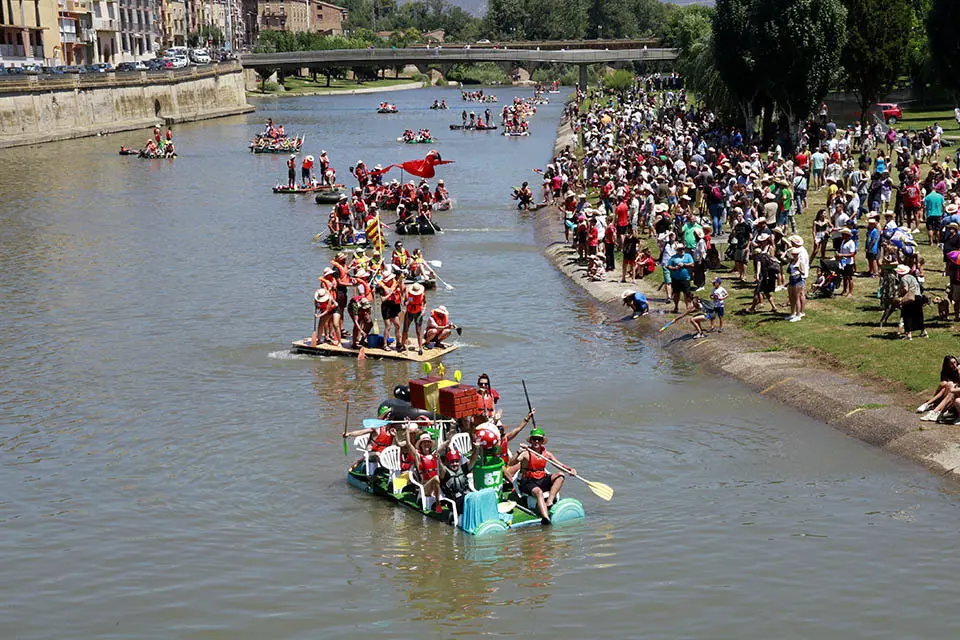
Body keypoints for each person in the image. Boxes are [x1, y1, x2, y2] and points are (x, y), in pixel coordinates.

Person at [508, 428, 574, 524]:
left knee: (560, 475)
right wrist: (519, 451)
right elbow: (511, 463)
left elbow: (559, 465)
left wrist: (570, 470)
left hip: (542, 479)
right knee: (538, 492)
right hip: (528, 481)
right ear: (530, 440)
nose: (536, 441)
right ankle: (546, 518)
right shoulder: (525, 453)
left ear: (543, 441)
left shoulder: (546, 454)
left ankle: (549, 501)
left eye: (539, 439)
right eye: (534, 439)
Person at [404, 432, 444, 513]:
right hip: (425, 487)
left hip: (438, 484)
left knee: (441, 477)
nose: (426, 444)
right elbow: (408, 444)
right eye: (424, 442)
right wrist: (407, 430)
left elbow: (445, 444)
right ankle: (437, 504)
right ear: (421, 445)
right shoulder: (418, 456)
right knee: (436, 478)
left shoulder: (435, 455)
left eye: (428, 442)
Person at [916, 355, 960, 422]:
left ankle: (935, 410)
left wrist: (954, 389)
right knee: (948, 388)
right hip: (951, 393)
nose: (954, 365)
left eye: (955, 362)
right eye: (951, 364)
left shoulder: (958, 369)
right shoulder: (949, 371)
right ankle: (935, 411)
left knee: (951, 392)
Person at [896, 263, 927, 340]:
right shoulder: (913, 277)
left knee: (907, 315)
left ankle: (908, 334)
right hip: (918, 297)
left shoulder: (904, 278)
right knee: (919, 315)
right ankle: (924, 332)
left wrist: (900, 294)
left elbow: (906, 289)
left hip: (910, 298)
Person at [377, 271, 403, 351]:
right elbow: (383, 299)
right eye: (390, 279)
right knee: (388, 326)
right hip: (386, 307)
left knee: (397, 325)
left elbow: (401, 290)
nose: (392, 280)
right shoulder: (381, 287)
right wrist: (390, 294)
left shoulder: (395, 283)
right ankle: (385, 344)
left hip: (394, 305)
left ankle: (399, 343)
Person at [399, 282, 425, 355]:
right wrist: (406, 302)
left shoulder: (422, 294)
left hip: (418, 313)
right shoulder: (408, 294)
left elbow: (425, 303)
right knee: (405, 329)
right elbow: (404, 303)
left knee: (418, 331)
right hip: (409, 313)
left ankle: (420, 348)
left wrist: (424, 310)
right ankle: (402, 345)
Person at [667, 243, 694, 313]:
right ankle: (676, 307)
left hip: (685, 278)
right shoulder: (673, 257)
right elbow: (669, 266)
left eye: (682, 249)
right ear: (677, 250)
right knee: (676, 293)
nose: (682, 250)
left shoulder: (688, 256)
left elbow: (692, 264)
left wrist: (685, 264)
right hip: (675, 278)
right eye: (680, 249)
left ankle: (687, 308)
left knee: (687, 293)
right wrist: (674, 268)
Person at [837, 227, 857, 297]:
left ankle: (850, 292)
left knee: (849, 278)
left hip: (849, 263)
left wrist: (842, 255)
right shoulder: (843, 241)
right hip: (843, 262)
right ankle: (844, 290)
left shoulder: (851, 243)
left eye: (843, 234)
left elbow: (852, 254)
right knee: (844, 277)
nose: (842, 235)